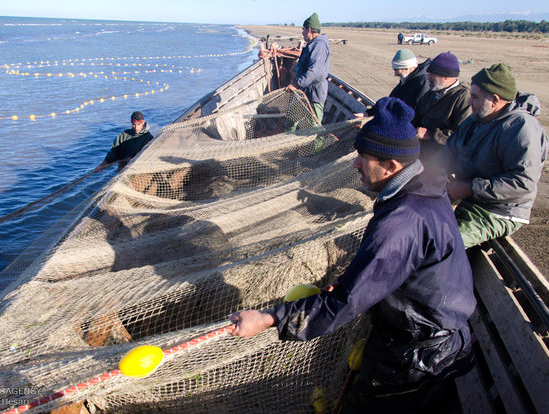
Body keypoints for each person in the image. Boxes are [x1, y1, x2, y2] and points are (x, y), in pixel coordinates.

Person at [230, 97, 476, 413]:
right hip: (440, 337)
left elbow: (346, 302)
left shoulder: (403, 221)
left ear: (391, 166)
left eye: (363, 157)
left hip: (419, 357)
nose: (354, 163)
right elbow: (395, 270)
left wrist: (267, 318)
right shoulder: (425, 185)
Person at [434, 63, 548, 248]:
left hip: (498, 211)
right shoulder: (474, 120)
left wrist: (470, 188)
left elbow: (522, 183)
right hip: (470, 200)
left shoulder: (522, 129)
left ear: (494, 100)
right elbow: (448, 154)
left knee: (441, 244)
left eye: (474, 97)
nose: (469, 102)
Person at [412, 51, 471, 160]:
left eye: (432, 75)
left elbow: (462, 135)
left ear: (446, 76)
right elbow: (416, 118)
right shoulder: (432, 92)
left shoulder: (463, 97)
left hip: (440, 160)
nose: (428, 78)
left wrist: (430, 135)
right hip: (419, 152)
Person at [287, 12, 330, 123]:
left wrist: (296, 83)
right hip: (304, 90)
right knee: (291, 120)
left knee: (314, 126)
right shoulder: (312, 44)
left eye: (303, 30)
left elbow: (314, 71)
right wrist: (297, 69)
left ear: (309, 30)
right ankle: (290, 138)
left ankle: (316, 141)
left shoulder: (319, 45)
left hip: (315, 93)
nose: (302, 33)